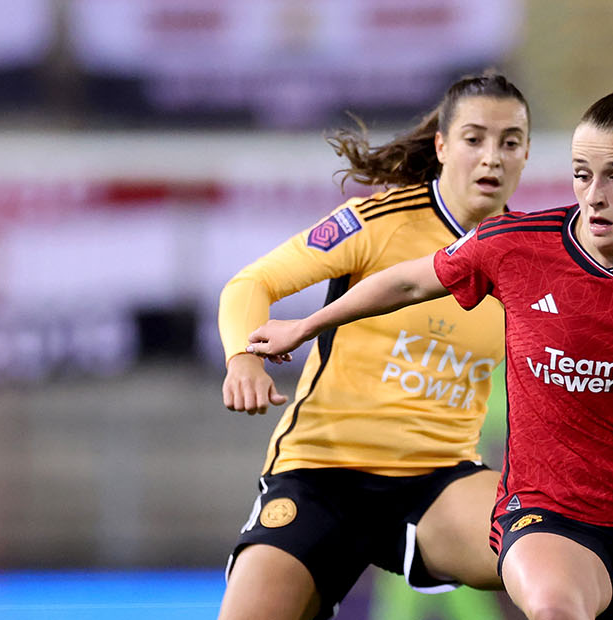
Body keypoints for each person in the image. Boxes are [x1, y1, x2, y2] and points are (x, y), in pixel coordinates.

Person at [246, 76, 613, 620]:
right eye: (582, 175)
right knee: (556, 607)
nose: (594, 196)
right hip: (553, 510)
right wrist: (306, 324)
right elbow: (408, 282)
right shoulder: (517, 246)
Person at [216, 73, 530, 620]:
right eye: (475, 139)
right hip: (320, 472)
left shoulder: (534, 256)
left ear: (527, 153)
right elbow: (252, 284)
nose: (492, 159)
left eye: (510, 142)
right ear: (442, 145)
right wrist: (242, 357)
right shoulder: (380, 221)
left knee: (578, 571)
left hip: (439, 483)